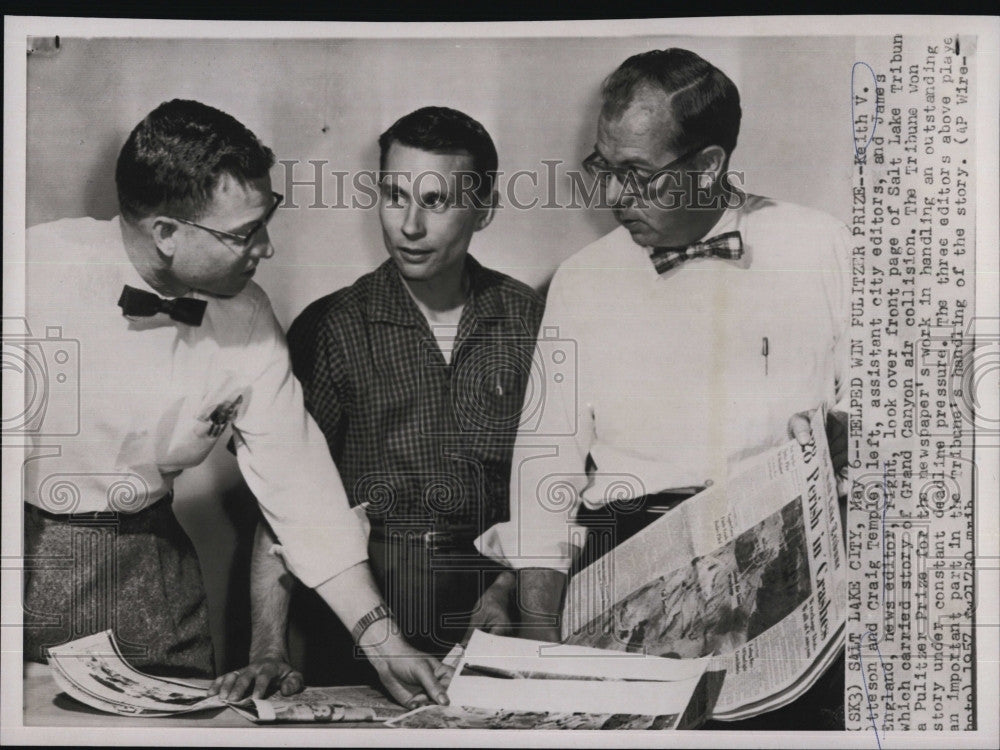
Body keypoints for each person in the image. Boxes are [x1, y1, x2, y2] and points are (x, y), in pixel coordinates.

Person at [21, 99, 447, 708]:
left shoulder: (246, 315)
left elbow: (301, 489)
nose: (267, 248)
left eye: (265, 218)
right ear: (166, 233)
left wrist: (385, 645)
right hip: (27, 557)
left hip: (157, 573)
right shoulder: (31, 273)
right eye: (245, 234)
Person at [476, 48, 850, 645]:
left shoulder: (823, 248)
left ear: (707, 165)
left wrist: (843, 434)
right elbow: (545, 472)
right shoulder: (581, 280)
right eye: (604, 165)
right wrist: (542, 644)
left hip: (788, 560)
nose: (615, 196)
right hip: (629, 561)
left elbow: (890, 425)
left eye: (638, 174)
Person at [230, 106, 545, 694]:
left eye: (436, 201)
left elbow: (557, 486)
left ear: (485, 209)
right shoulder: (332, 327)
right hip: (362, 616)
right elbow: (281, 506)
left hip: (497, 618)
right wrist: (268, 648)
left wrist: (511, 589)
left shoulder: (529, 318)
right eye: (395, 195)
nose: (409, 226)